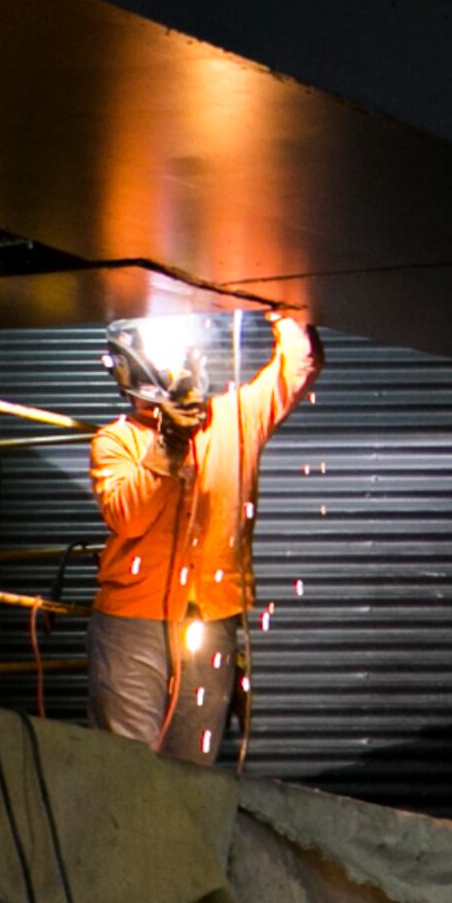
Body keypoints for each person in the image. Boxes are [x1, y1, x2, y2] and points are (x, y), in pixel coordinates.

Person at [89, 302, 316, 762]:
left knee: (192, 768)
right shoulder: (116, 441)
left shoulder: (236, 418)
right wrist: (167, 447)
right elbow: (127, 516)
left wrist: (279, 307)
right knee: (121, 763)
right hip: (134, 622)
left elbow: (299, 365)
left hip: (211, 621)